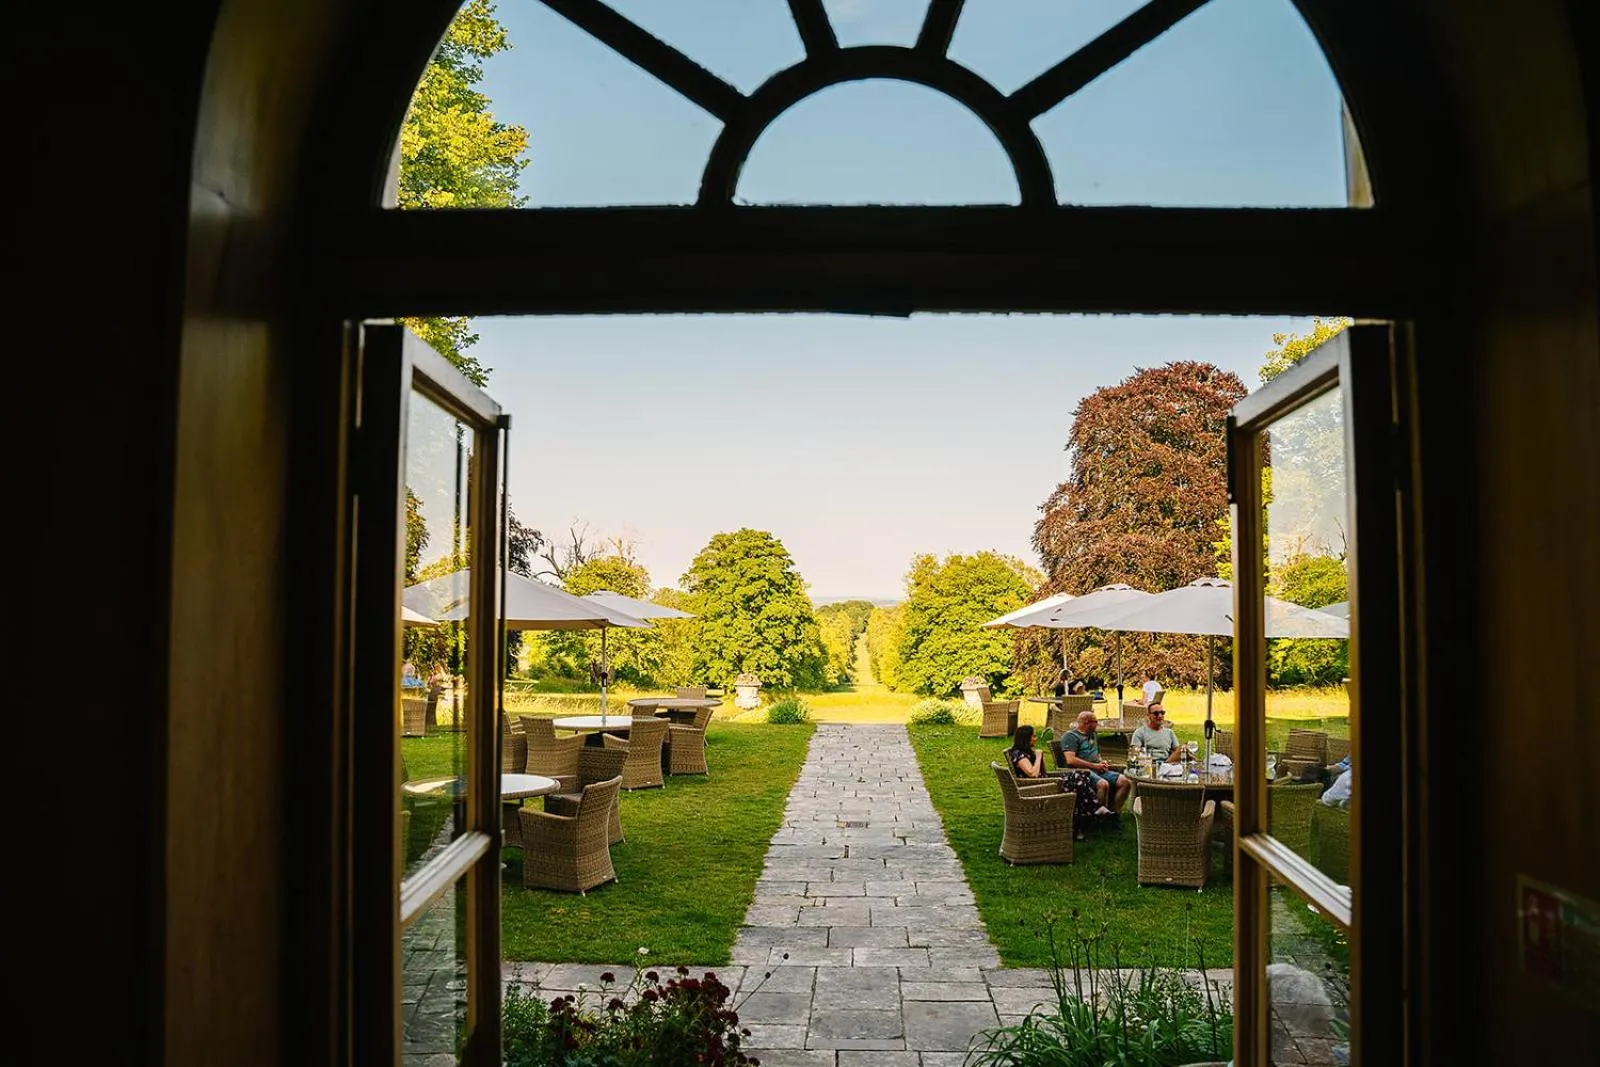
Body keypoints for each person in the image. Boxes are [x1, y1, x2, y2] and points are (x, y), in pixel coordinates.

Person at [1004, 725, 1104, 836]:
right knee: (1077, 785)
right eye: (1034, 736)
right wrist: (1038, 757)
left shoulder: (1026, 752)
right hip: (1039, 789)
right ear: (1026, 738)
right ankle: (1089, 815)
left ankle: (1086, 818)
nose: (1036, 738)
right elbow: (1033, 774)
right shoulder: (1018, 754)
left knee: (1080, 775)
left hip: (1046, 784)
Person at [1059, 710, 1132, 812]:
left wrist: (1101, 762)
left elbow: (1096, 754)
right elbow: (1070, 760)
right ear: (1086, 723)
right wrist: (1094, 766)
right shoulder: (1070, 736)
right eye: (1095, 722)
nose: (1097, 724)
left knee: (1125, 782)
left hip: (1096, 768)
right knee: (1103, 784)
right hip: (1081, 772)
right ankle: (1098, 815)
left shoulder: (1093, 734)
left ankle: (1113, 814)